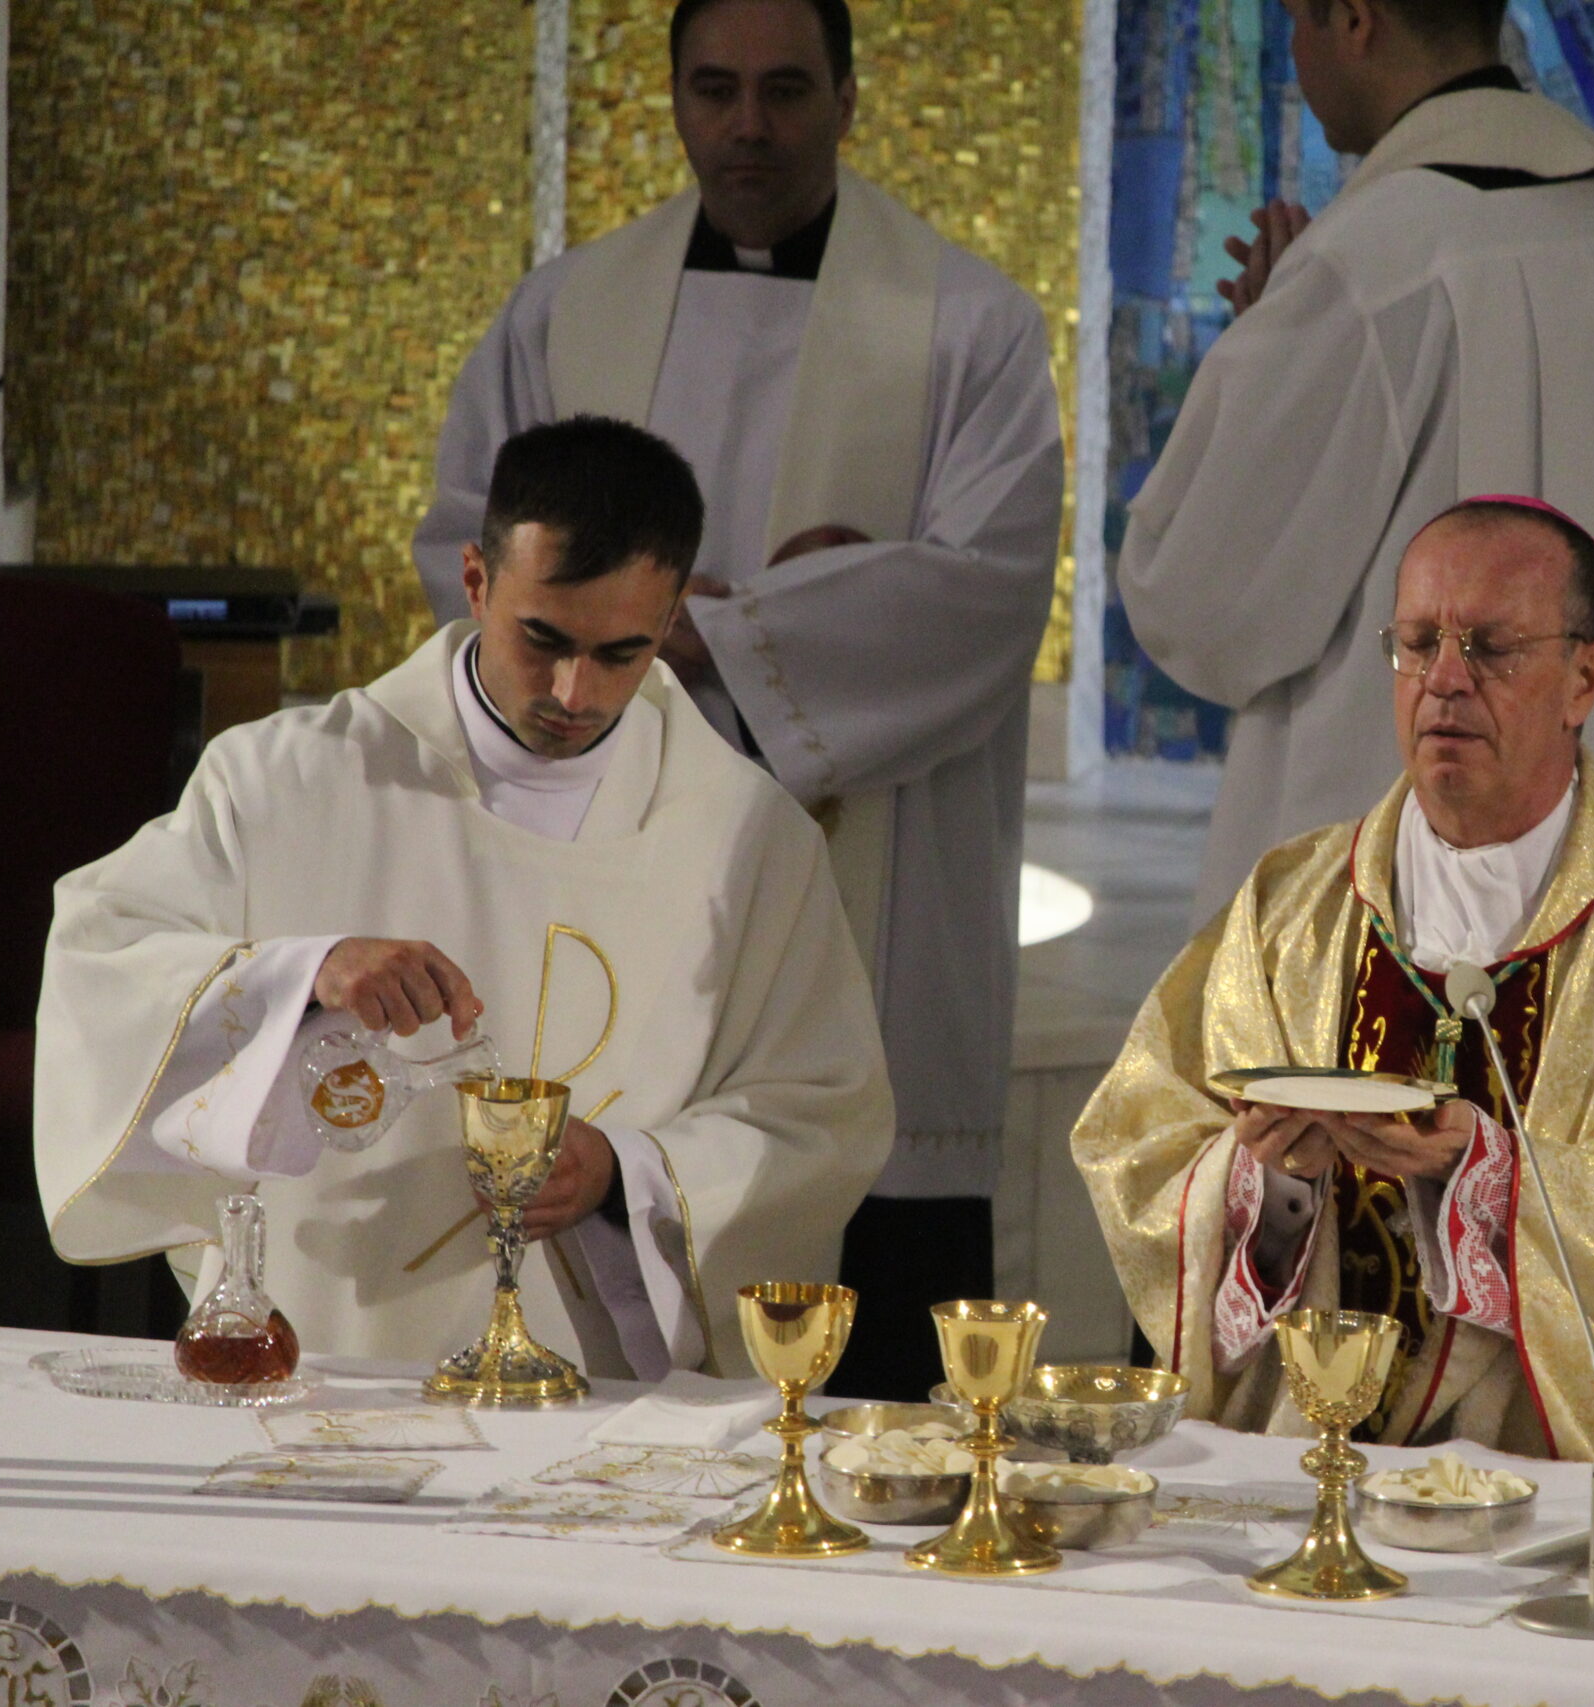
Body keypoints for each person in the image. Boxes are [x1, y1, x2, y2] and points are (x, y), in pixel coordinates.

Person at [411, 0, 1064, 1394]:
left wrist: (730, 633)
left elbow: (992, 587)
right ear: (672, 97)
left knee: (876, 1326)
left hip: (882, 875)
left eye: (785, 90)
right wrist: (729, 624)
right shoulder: (565, 312)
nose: (748, 126)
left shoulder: (969, 325)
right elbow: (466, 541)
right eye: (715, 90)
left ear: (848, 95)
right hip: (620, 848)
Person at [39, 418, 894, 1378]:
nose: (574, 691)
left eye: (621, 652)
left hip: (599, 1394)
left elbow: (821, 1112)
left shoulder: (748, 839)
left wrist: (626, 1172)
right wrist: (303, 973)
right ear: (477, 581)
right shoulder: (287, 781)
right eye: (544, 638)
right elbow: (101, 951)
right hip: (334, 1367)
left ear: (670, 622)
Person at [1074, 499, 1594, 1469]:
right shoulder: (1287, 911)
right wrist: (1264, 1177)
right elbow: (1138, 1148)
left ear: (1585, 677)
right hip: (1302, 1470)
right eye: (1419, 642)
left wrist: (1490, 1179)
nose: (1443, 680)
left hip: (1542, 1487)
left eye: (1491, 648)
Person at [1117, 0, 1594, 923]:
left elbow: (1198, 603)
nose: (1296, 47)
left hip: (1397, 911)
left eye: (1298, 17)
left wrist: (1268, 345)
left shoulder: (1371, 265)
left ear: (1355, 19)